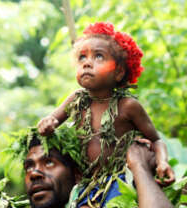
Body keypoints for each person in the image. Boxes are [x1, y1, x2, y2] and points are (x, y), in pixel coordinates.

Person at [0, 49, 173, 208]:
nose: (34, 172)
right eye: (28, 166)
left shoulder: (103, 202)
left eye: (48, 162)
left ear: (77, 173)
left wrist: (138, 166)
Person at [37, 22, 175, 207]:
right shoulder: (76, 99)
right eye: (82, 57)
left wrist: (162, 163)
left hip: (122, 181)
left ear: (118, 72)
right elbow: (50, 120)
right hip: (87, 184)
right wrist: (46, 126)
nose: (87, 62)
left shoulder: (128, 106)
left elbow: (157, 141)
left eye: (98, 56)